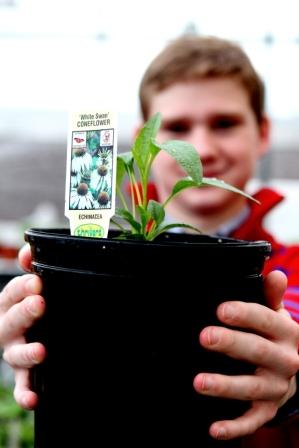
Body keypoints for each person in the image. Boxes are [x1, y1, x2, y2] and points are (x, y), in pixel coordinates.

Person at [0, 35, 299, 446]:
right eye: (176, 128)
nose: (201, 149)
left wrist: (290, 378)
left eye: (224, 124)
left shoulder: (285, 271)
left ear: (263, 133)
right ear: (145, 140)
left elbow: (291, 322)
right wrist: (35, 327)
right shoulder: (105, 250)